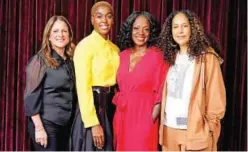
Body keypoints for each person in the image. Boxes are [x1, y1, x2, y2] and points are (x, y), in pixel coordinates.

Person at [157, 9, 226, 151]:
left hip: (196, 132)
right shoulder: (168, 58)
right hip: (169, 130)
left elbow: (216, 97)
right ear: (170, 32)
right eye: (175, 27)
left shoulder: (207, 57)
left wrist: (210, 129)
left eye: (184, 26)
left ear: (192, 28)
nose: (180, 31)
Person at [113, 11, 169, 151]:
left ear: (151, 32)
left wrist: (152, 118)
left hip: (144, 114)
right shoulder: (122, 55)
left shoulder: (158, 55)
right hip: (122, 115)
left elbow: (162, 89)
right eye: (136, 28)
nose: (141, 33)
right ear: (130, 30)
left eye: (146, 29)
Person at [70, 1, 119, 151]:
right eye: (99, 16)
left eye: (108, 16)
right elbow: (83, 86)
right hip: (93, 108)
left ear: (113, 20)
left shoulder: (115, 49)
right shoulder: (85, 46)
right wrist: (93, 123)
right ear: (92, 20)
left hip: (111, 107)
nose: (104, 20)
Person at [24, 15, 76, 151]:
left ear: (70, 35)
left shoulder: (70, 61)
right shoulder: (39, 61)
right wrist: (39, 128)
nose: (60, 34)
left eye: (64, 31)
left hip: (65, 124)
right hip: (46, 124)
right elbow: (30, 96)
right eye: (56, 31)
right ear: (48, 36)